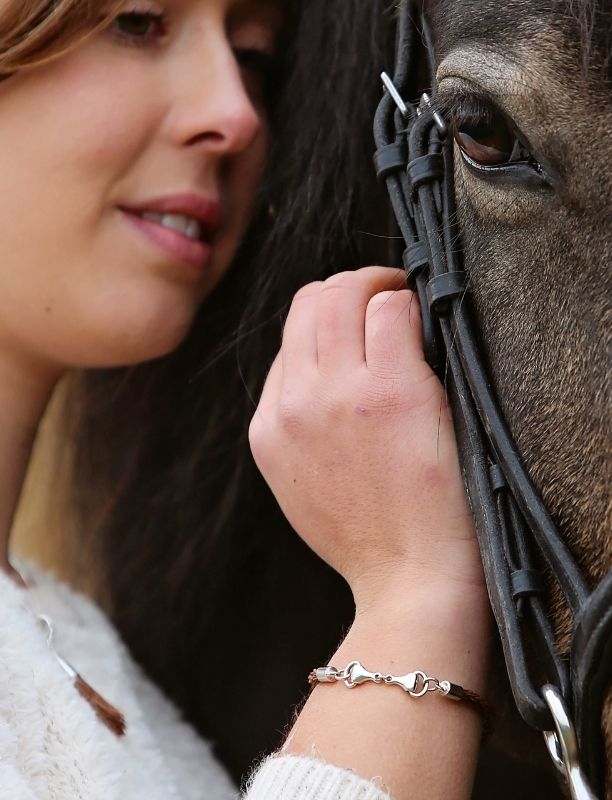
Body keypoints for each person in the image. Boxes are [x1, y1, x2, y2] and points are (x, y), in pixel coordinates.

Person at [0, 1, 491, 798]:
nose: (237, 114)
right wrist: (415, 607)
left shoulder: (112, 677)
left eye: (255, 58)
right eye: (137, 21)